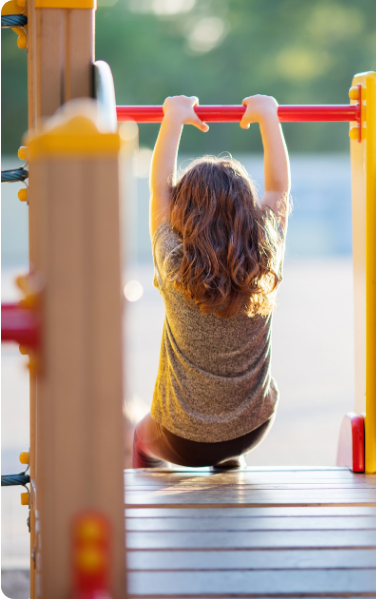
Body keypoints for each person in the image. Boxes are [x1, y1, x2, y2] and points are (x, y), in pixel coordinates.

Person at [132, 94, 290, 469]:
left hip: (182, 439)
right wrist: (269, 117)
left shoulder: (174, 262)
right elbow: (279, 190)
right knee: (226, 439)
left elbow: (159, 188)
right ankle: (228, 460)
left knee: (138, 437)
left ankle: (150, 505)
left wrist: (172, 118)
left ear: (182, 212)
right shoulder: (265, 254)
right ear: (247, 211)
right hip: (254, 428)